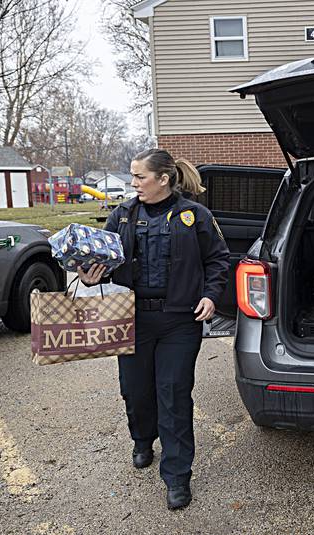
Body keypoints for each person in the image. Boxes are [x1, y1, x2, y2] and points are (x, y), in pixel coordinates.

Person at [78, 148, 229, 509]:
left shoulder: (194, 216)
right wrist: (87, 274)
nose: (133, 184)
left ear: (163, 179)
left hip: (180, 320)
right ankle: (143, 439)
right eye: (132, 176)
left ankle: (177, 476)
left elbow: (218, 258)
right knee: (135, 390)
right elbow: (100, 256)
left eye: (139, 177)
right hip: (131, 318)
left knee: (174, 393)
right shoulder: (124, 214)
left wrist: (211, 295)